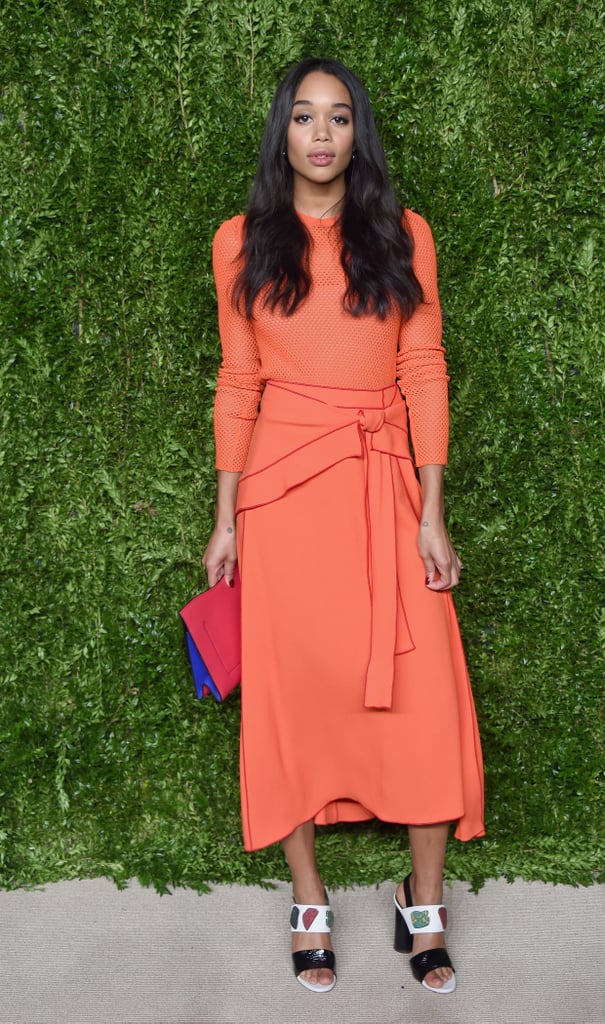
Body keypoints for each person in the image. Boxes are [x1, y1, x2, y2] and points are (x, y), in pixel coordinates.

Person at [202, 56, 485, 996]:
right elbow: (239, 383)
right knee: (289, 700)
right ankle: (309, 896)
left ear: (357, 134)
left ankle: (425, 901)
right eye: (303, 118)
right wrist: (226, 518)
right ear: (281, 132)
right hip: (281, 502)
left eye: (338, 118)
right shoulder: (239, 242)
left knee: (427, 695)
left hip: (381, 490)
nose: (321, 135)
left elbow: (425, 372)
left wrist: (431, 509)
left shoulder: (404, 235)